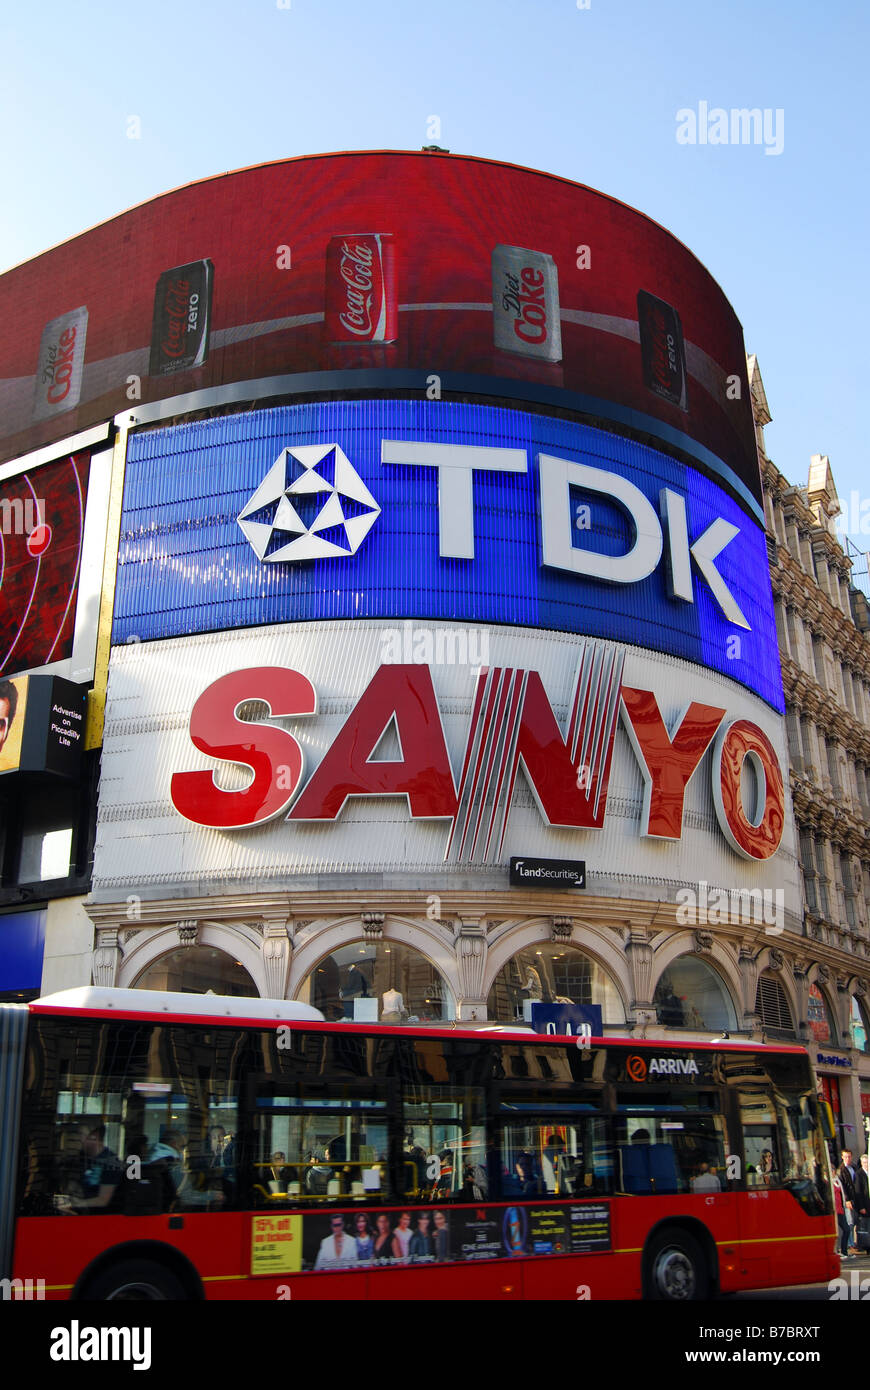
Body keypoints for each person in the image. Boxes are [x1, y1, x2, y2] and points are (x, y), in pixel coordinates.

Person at [70, 1125, 123, 1212]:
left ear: (94, 1137)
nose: (79, 1139)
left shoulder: (111, 1162)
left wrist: (77, 1203)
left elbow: (103, 1200)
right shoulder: (86, 1159)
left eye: (81, 1135)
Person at [837, 1149, 858, 1253]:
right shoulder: (841, 1169)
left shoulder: (854, 1167)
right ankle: (850, 1244)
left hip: (855, 1197)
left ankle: (854, 1242)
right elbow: (843, 1187)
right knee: (849, 1222)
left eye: (849, 1156)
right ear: (842, 1157)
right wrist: (847, 1200)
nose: (848, 1158)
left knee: (854, 1220)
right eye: (846, 1157)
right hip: (848, 1199)